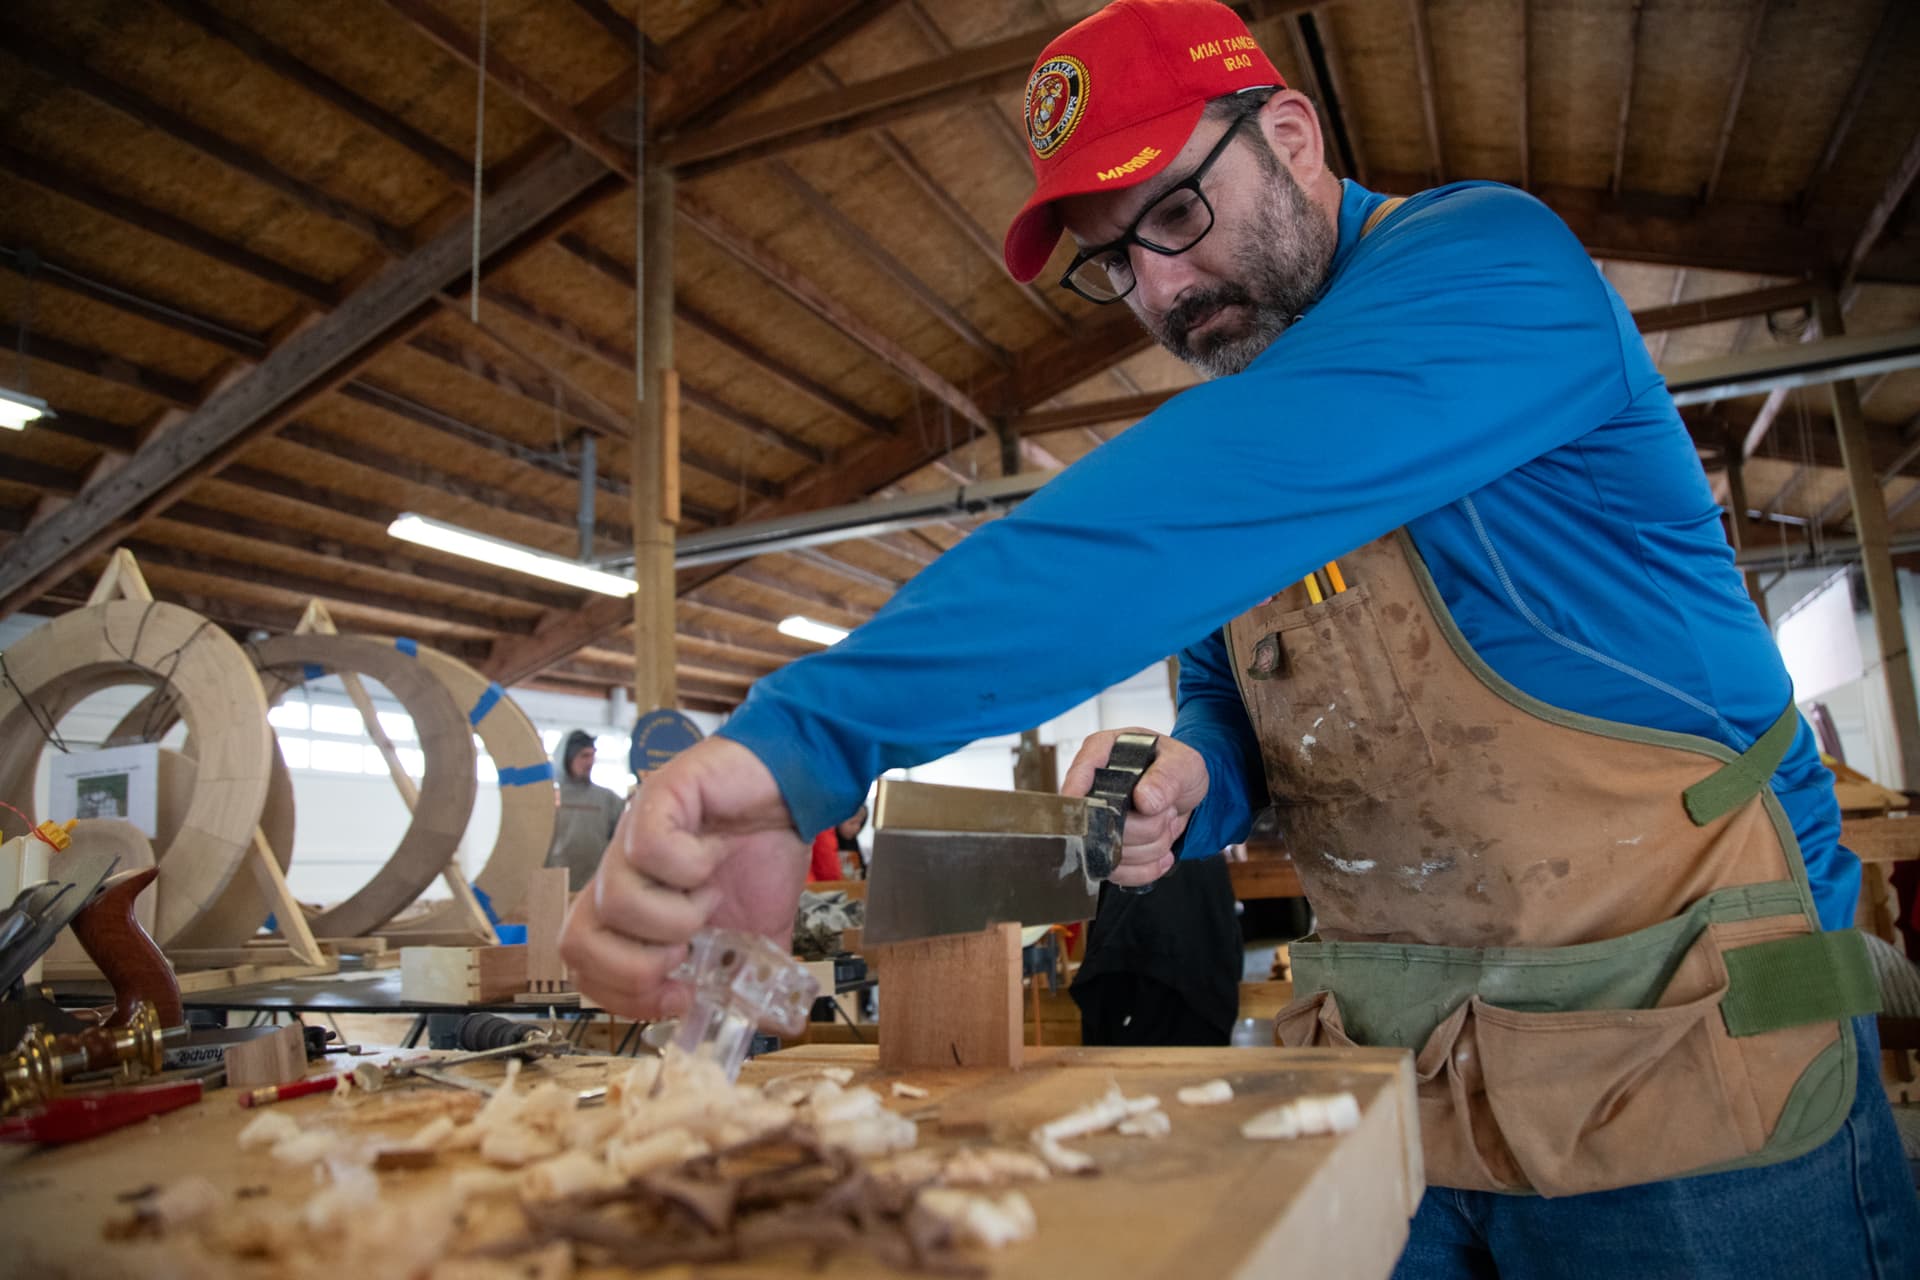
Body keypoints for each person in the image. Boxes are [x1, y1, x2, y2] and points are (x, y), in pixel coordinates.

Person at [563, 1, 1919, 1273]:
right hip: (1408, 1083)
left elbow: (1197, 500)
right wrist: (1194, 781)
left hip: (1690, 1080)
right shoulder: (1255, 423)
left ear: (1289, 139)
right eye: (1114, 262)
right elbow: (1233, 700)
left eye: (1176, 212)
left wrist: (795, 743)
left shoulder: (1493, 270)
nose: (1158, 286)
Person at [543, 729, 623, 892]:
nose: (590, 762)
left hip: (595, 890)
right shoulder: (547, 799)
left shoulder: (607, 800)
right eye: (584, 756)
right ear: (567, 758)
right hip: (554, 889)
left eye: (592, 755)